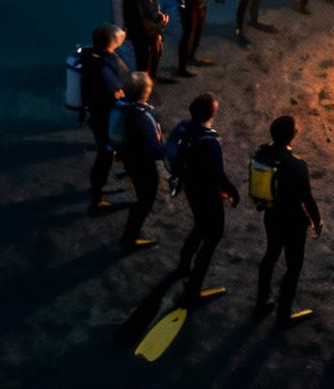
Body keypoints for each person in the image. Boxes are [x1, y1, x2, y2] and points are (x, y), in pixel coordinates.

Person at [251, 115, 322, 323]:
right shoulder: (297, 165)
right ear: (291, 136)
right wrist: (316, 220)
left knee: (271, 254)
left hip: (272, 215)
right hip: (293, 221)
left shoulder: (263, 156)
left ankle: (262, 298)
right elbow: (307, 198)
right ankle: (284, 311)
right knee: (293, 265)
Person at [172, 92, 239, 305]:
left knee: (199, 226)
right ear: (211, 114)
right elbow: (218, 173)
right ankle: (193, 289)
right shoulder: (210, 140)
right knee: (212, 237)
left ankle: (183, 266)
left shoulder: (185, 129)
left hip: (191, 187)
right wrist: (232, 191)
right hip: (208, 193)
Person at [81, 24, 133, 213]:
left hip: (98, 114)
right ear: (112, 42)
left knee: (112, 150)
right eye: (119, 38)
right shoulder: (102, 65)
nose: (122, 40)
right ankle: (97, 197)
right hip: (105, 117)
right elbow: (116, 92)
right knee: (105, 155)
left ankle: (102, 187)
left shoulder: (93, 57)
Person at [115, 72, 164, 249]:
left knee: (140, 191)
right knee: (145, 199)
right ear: (146, 92)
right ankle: (130, 238)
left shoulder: (124, 109)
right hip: (143, 164)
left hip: (129, 157)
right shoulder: (143, 117)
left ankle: (130, 236)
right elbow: (155, 150)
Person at [121, 0, 170, 81]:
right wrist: (160, 23)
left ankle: (149, 81)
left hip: (143, 31)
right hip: (143, 33)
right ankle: (143, 86)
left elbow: (148, 10)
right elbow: (144, 16)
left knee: (148, 58)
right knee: (144, 60)